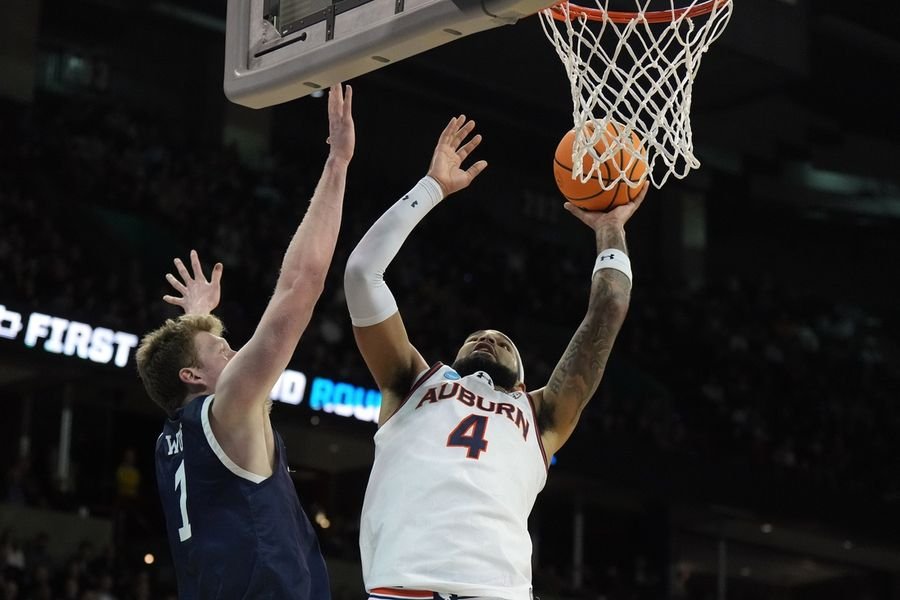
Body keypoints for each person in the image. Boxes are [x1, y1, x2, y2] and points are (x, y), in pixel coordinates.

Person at [344, 115, 645, 600]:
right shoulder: (409, 382)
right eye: (476, 336)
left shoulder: (542, 415)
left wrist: (610, 227)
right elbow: (361, 274)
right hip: (406, 588)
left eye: (503, 340)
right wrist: (431, 188)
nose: (487, 339)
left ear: (524, 381)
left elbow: (608, 307)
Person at [135, 84, 354, 599]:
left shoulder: (173, 439)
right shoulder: (227, 410)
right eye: (221, 347)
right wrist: (337, 163)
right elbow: (301, 284)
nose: (233, 350)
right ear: (192, 375)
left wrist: (197, 321)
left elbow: (194, 364)